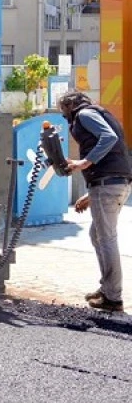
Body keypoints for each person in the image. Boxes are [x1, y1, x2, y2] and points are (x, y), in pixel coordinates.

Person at [59, 91, 130, 313]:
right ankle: (107, 288)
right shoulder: (97, 112)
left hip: (108, 184)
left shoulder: (85, 115)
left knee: (106, 238)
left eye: (64, 113)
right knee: (96, 235)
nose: (66, 118)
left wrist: (85, 162)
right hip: (114, 183)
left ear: (70, 105)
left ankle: (113, 298)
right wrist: (90, 196)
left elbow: (109, 138)